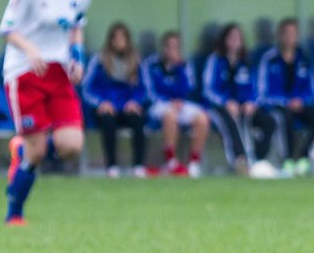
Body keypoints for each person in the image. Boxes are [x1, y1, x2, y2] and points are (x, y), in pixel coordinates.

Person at [0, 0, 92, 225]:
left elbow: (76, 26)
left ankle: (23, 147)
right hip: (25, 70)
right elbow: (7, 29)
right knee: (36, 154)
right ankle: (15, 213)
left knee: (71, 146)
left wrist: (77, 58)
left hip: (58, 72)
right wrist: (31, 50)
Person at [255, 18, 314, 177]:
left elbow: (313, 89)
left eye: (293, 33)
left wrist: (301, 100)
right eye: (286, 33)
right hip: (276, 105)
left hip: (300, 103)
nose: (290, 37)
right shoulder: (269, 58)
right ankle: (287, 160)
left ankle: (303, 157)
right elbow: (261, 90)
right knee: (284, 117)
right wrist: (285, 102)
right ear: (280, 36)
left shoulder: (305, 58)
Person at [82, 21, 148, 178]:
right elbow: (87, 89)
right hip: (107, 107)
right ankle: (111, 166)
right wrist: (100, 103)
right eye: (116, 38)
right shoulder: (99, 60)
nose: (119, 42)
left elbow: (145, 89)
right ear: (110, 40)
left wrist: (135, 102)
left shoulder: (136, 61)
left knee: (138, 119)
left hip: (127, 107)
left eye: (122, 38)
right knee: (108, 121)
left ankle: (138, 165)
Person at [142, 30, 209, 177]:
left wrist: (179, 68)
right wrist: (169, 101)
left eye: (176, 47)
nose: (172, 51)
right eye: (169, 47)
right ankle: (171, 161)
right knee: (170, 115)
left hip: (181, 103)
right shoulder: (151, 64)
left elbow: (189, 89)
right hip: (159, 104)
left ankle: (194, 163)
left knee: (202, 118)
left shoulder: (185, 65)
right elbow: (148, 90)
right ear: (163, 48)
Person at [202, 23, 260, 174]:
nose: (235, 41)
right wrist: (225, 102)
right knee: (228, 120)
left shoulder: (246, 62)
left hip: (242, 106)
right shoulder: (215, 60)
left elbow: (255, 87)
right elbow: (208, 89)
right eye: (231, 37)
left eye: (238, 38)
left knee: (266, 120)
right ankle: (238, 160)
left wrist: (251, 102)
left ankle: (257, 160)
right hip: (216, 107)